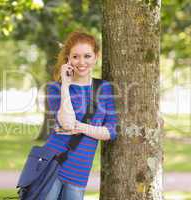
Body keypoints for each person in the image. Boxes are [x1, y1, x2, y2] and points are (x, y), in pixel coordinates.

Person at [44, 30, 119, 200]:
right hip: (51, 165)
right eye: (75, 57)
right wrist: (65, 85)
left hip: (79, 173)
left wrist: (81, 127)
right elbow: (67, 124)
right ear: (68, 59)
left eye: (87, 56)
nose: (82, 62)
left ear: (96, 56)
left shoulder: (104, 88)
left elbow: (111, 131)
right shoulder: (56, 88)